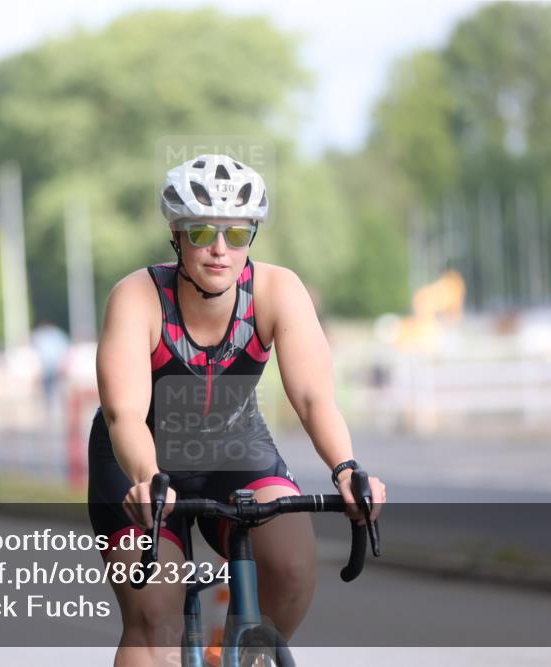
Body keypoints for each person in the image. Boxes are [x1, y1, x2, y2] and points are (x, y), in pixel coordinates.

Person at [88, 154, 386, 666]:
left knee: (292, 565)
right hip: (139, 461)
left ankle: (239, 656)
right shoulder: (136, 297)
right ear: (177, 236)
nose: (220, 250)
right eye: (203, 233)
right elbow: (124, 416)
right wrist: (145, 477)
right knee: (155, 617)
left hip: (233, 445)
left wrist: (346, 468)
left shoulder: (276, 290)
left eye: (238, 234)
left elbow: (314, 398)